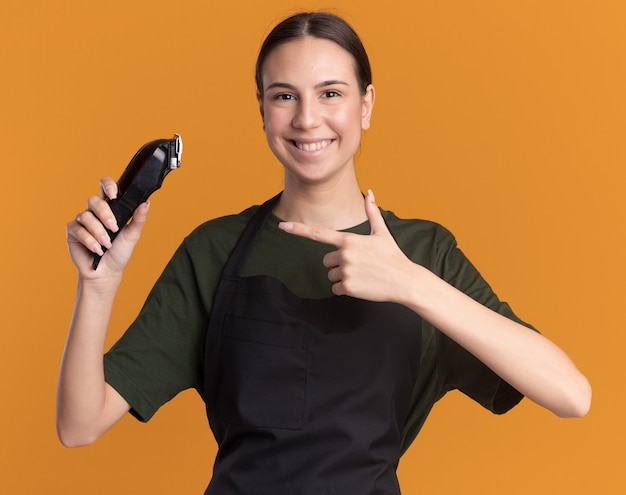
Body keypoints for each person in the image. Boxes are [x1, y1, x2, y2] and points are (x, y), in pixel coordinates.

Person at [58, 11, 591, 494]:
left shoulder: (423, 252)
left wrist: (410, 284)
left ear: (367, 105)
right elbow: (79, 425)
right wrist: (97, 287)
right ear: (263, 110)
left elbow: (571, 395)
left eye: (331, 93)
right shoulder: (214, 250)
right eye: (284, 95)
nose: (307, 119)